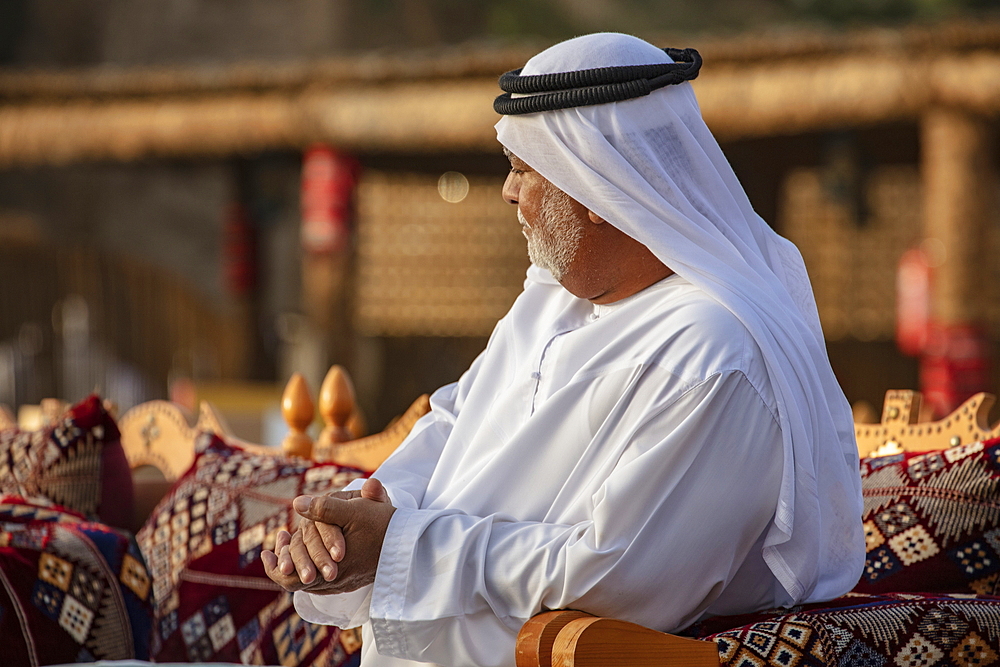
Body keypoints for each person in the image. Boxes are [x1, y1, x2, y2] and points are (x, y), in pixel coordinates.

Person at [262, 32, 865, 667]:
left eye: (524, 169)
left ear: (599, 189)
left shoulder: (715, 354)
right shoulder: (552, 300)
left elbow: (619, 577)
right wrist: (352, 525)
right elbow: (454, 425)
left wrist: (401, 547)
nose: (508, 192)